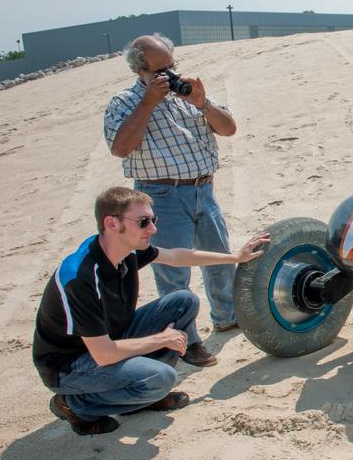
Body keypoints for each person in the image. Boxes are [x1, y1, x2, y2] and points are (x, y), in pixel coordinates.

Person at [32, 186, 269, 436]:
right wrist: (161, 339)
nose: (153, 229)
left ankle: (140, 395)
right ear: (112, 223)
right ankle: (74, 404)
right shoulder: (79, 278)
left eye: (153, 220)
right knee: (161, 378)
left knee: (183, 301)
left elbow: (176, 256)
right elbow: (103, 354)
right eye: (144, 222)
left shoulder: (124, 250)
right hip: (70, 365)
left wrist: (235, 258)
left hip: (111, 340)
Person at [104, 34, 241, 345]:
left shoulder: (186, 96)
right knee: (172, 275)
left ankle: (228, 318)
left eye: (171, 68)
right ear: (140, 71)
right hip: (160, 195)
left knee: (218, 259)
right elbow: (120, 147)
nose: (168, 77)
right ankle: (186, 340)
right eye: (159, 72)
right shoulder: (123, 102)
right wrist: (148, 102)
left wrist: (202, 102)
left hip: (203, 190)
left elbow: (229, 129)